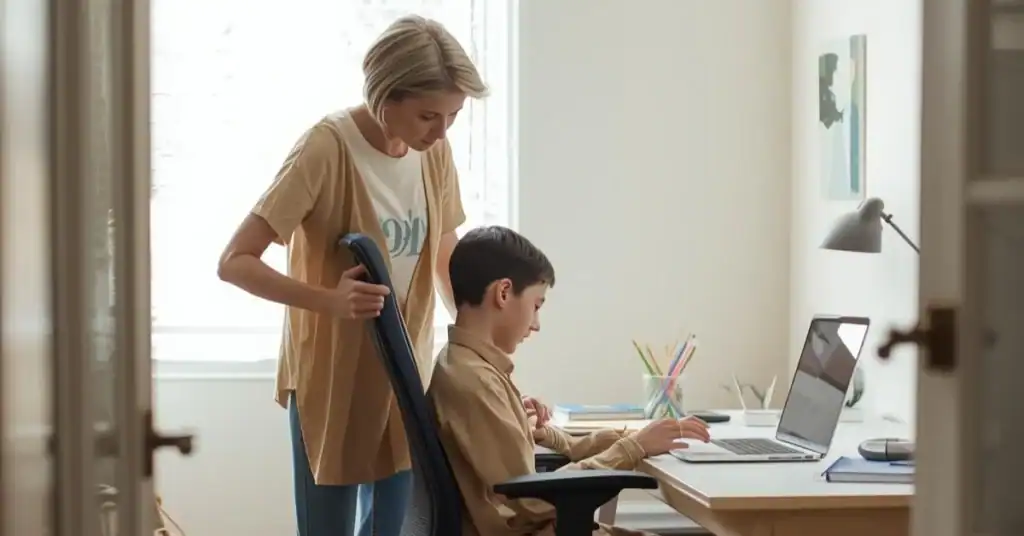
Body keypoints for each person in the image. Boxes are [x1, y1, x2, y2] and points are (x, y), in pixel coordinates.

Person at [217, 15, 501, 536]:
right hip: (333, 378)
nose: (441, 132)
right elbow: (235, 262)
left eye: (453, 116)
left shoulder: (432, 153)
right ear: (383, 96)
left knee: (394, 528)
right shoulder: (325, 149)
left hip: (403, 376)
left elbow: (442, 253)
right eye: (427, 116)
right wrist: (329, 300)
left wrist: (476, 350)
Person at [429, 226, 712, 536]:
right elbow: (532, 500)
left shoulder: (464, 366)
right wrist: (632, 448)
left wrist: (532, 429)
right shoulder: (474, 382)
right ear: (504, 293)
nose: (536, 324)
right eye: (536, 305)